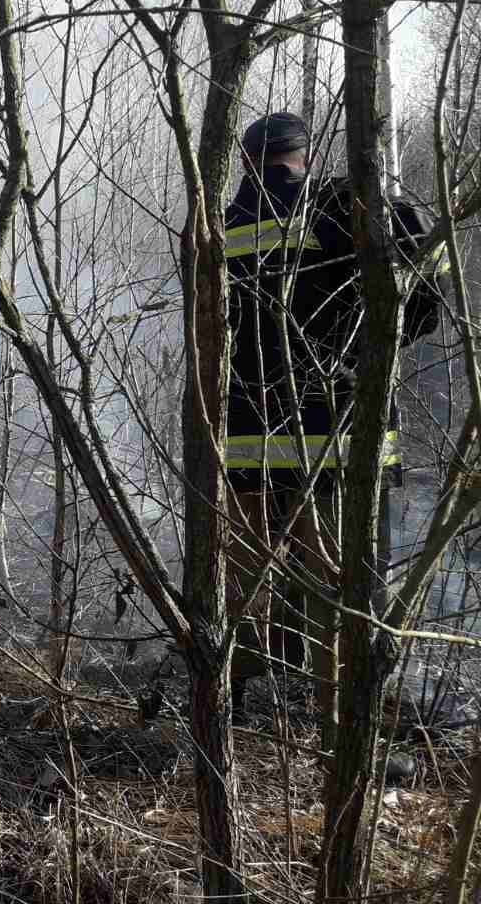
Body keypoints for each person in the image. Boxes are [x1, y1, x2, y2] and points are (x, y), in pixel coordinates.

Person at [223, 112, 444, 724]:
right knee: (339, 581)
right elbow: (420, 306)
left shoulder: (224, 223)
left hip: (245, 431)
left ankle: (227, 705)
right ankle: (340, 721)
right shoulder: (343, 209)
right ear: (305, 154)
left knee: (244, 570)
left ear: (247, 161)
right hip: (337, 429)